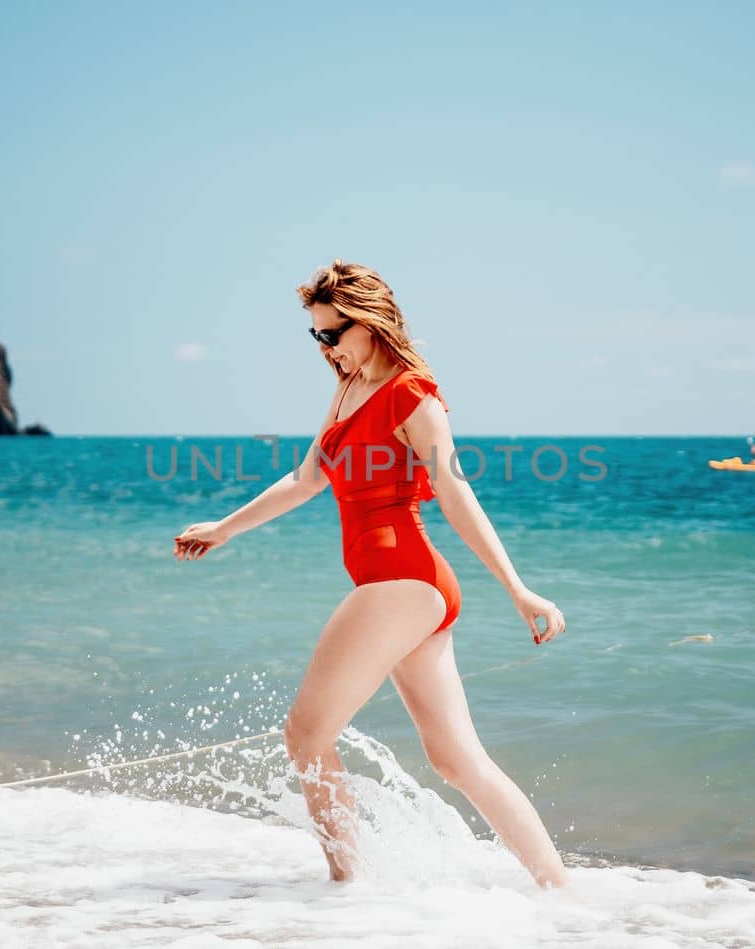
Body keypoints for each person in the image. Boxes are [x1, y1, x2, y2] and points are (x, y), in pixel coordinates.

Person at [172, 259, 570, 889]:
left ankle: (344, 890)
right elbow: (306, 480)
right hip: (401, 589)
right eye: (316, 336)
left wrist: (518, 590)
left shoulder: (412, 393)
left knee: (304, 734)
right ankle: (564, 896)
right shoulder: (346, 388)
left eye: (334, 333)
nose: (326, 347)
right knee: (457, 760)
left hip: (402, 580)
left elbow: (455, 489)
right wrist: (224, 528)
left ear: (371, 321)